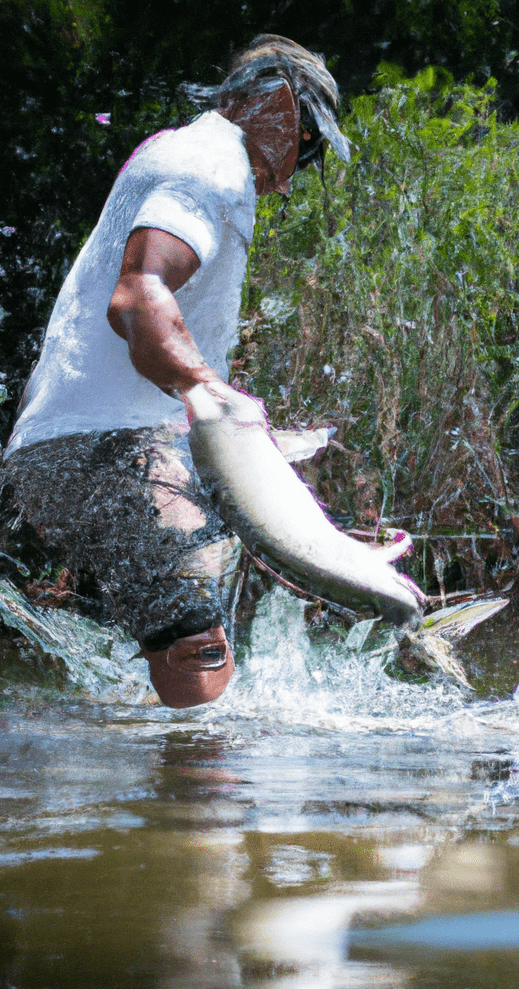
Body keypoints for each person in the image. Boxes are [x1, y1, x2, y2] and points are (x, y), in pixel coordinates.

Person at [0, 36, 422, 708]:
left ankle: (164, 785)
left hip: (78, 451)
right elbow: (139, 298)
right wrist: (212, 393)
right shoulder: (212, 161)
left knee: (191, 640)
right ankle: (201, 804)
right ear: (276, 104)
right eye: (307, 143)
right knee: (201, 662)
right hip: (113, 452)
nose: (293, 172)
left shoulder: (184, 153)